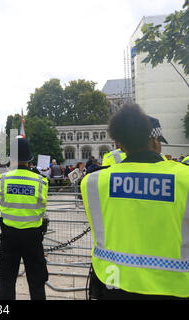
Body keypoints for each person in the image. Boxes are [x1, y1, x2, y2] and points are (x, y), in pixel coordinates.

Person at [81, 104, 189, 299]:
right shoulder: (184, 178)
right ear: (154, 138)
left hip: (112, 283)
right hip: (174, 288)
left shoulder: (93, 183)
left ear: (119, 142)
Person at [0, 137, 49, 300]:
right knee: (36, 282)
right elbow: (42, 206)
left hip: (9, 236)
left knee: (6, 281)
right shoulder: (41, 181)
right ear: (30, 159)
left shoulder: (2, 179)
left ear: (12, 158)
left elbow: (1, 201)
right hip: (33, 237)